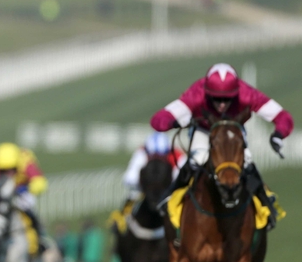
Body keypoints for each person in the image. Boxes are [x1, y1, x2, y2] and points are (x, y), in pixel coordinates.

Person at [150, 63, 294, 229]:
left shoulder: (246, 94)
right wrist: (175, 122)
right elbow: (158, 120)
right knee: (197, 159)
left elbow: (282, 116)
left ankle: (266, 205)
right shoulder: (197, 93)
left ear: (236, 93)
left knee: (246, 162)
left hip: (233, 132)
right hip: (205, 131)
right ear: (207, 93)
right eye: (216, 98)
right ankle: (169, 196)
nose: (222, 104)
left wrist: (279, 134)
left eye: (228, 99)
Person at [0, 142, 48, 259]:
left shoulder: (25, 160)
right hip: (5, 197)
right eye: (4, 170)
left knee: (26, 207)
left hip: (22, 195)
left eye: (11, 169)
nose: (8, 173)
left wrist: (24, 189)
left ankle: (39, 236)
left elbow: (40, 182)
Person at [121, 131, 186, 208]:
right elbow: (129, 178)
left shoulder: (177, 155)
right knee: (134, 196)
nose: (157, 160)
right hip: (144, 193)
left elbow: (181, 181)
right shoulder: (141, 153)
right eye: (154, 156)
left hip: (168, 194)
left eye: (161, 156)